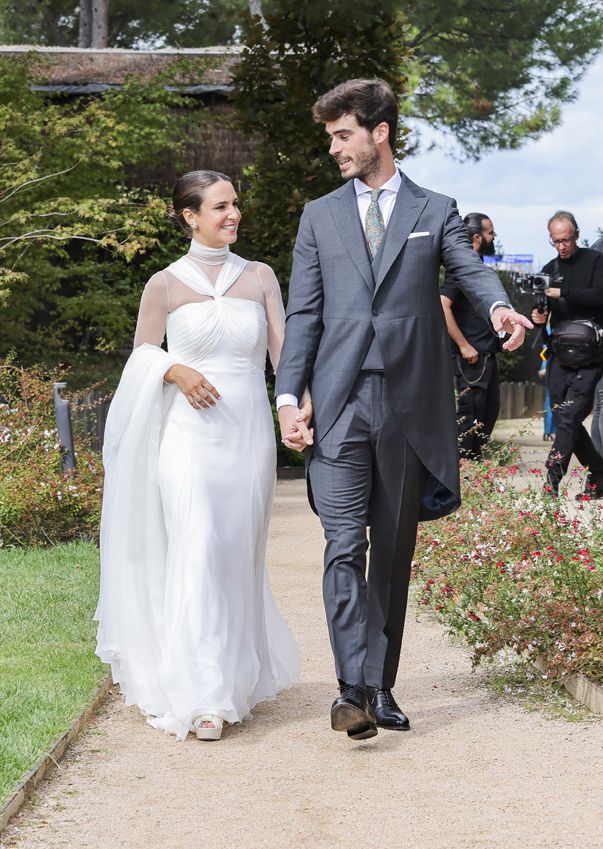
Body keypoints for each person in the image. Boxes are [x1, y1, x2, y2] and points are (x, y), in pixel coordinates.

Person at [275, 79, 531, 741]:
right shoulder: (318, 216)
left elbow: (466, 272)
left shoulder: (434, 209)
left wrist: (498, 305)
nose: (334, 148)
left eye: (342, 135)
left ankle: (378, 685)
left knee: (390, 552)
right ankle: (350, 689)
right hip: (337, 403)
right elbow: (303, 314)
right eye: (330, 137)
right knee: (341, 545)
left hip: (407, 405)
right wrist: (286, 396)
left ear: (378, 131)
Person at [95, 170, 307, 741]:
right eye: (220, 206)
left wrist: (294, 411)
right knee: (198, 545)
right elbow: (141, 357)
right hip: (187, 439)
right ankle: (202, 695)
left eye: (235, 204)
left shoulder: (260, 277)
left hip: (248, 439)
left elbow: (284, 353)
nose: (233, 214)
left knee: (235, 553)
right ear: (190, 216)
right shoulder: (163, 284)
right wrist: (175, 368)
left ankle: (234, 676)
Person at [531, 210, 603, 499]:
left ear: (576, 234)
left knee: (571, 416)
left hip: (593, 355)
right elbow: (541, 312)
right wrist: (537, 315)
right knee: (565, 419)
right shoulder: (548, 269)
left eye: (567, 239)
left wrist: (561, 292)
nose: (562, 246)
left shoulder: (596, 262)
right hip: (560, 356)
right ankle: (599, 474)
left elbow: (598, 296)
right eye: (556, 241)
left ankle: (551, 482)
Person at [441, 212, 502, 459]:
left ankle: (474, 477)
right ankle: (462, 482)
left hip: (486, 357)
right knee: (470, 423)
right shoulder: (461, 272)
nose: (494, 236)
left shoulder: (476, 269)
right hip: (472, 361)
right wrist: (464, 345)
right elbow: (442, 305)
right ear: (477, 238)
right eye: (490, 232)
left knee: (486, 421)